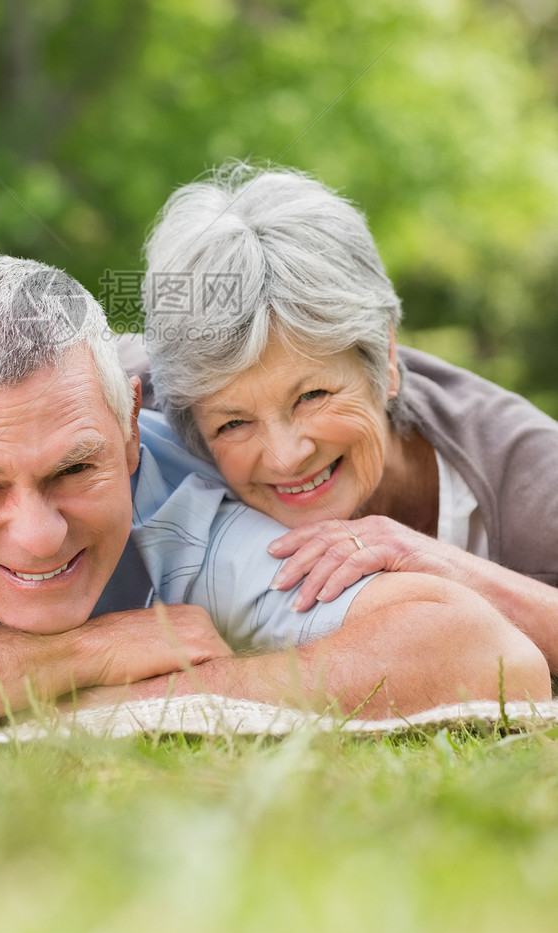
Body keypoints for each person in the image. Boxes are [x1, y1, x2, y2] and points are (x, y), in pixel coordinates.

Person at [0, 255, 548, 724]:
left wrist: (142, 701)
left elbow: (487, 657)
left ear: (130, 431)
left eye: (75, 470)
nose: (36, 534)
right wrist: (79, 662)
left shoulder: (182, 504)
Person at [138, 164, 558, 672]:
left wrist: (440, 561)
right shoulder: (139, 402)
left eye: (312, 395)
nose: (287, 455)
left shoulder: (532, 473)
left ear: (385, 359)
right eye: (233, 423)